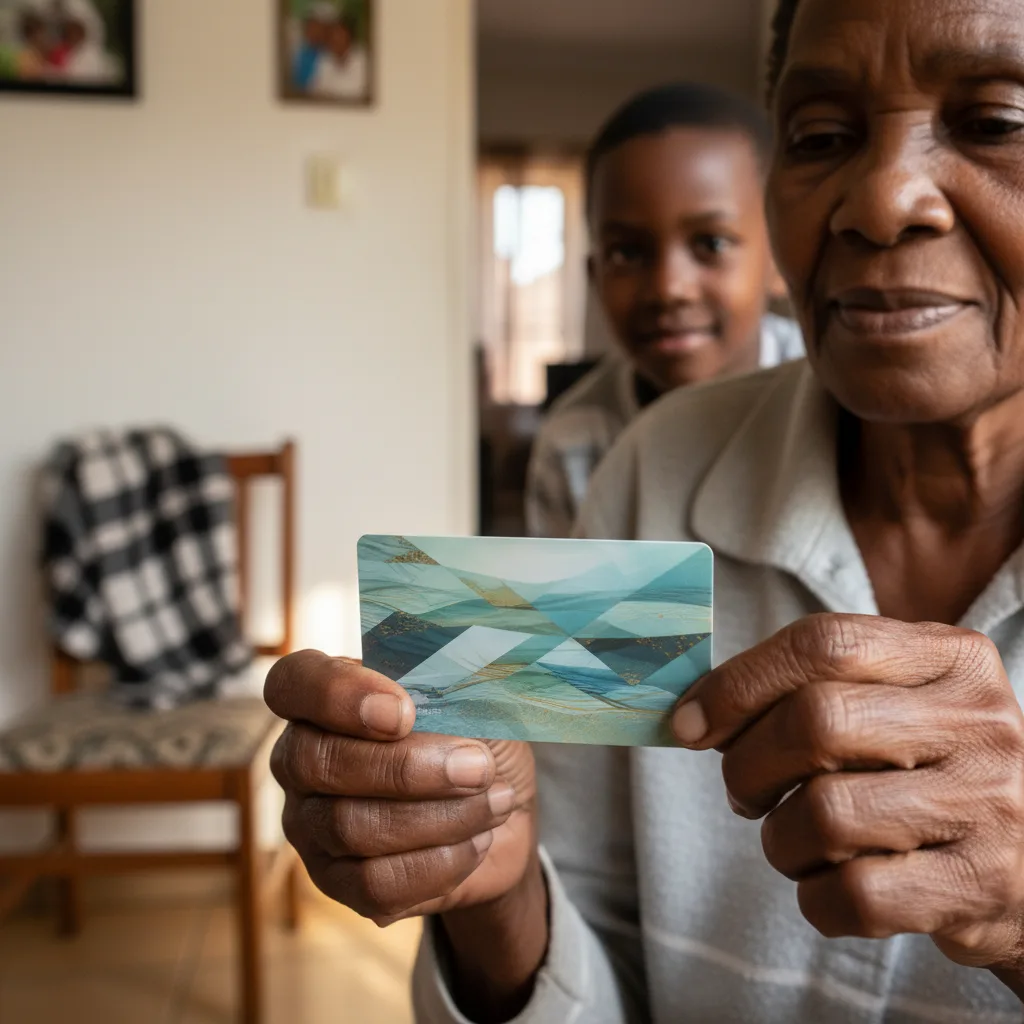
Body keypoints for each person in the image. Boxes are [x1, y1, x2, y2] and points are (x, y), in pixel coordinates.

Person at [265, 0, 1024, 1019]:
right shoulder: (652, 469)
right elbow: (588, 941)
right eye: (820, 137)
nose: (881, 198)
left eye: (997, 120)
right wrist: (491, 886)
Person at [525, 83, 804, 538]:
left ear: (779, 256)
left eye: (711, 243)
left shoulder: (835, 403)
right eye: (627, 254)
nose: (668, 288)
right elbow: (563, 607)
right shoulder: (573, 444)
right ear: (595, 277)